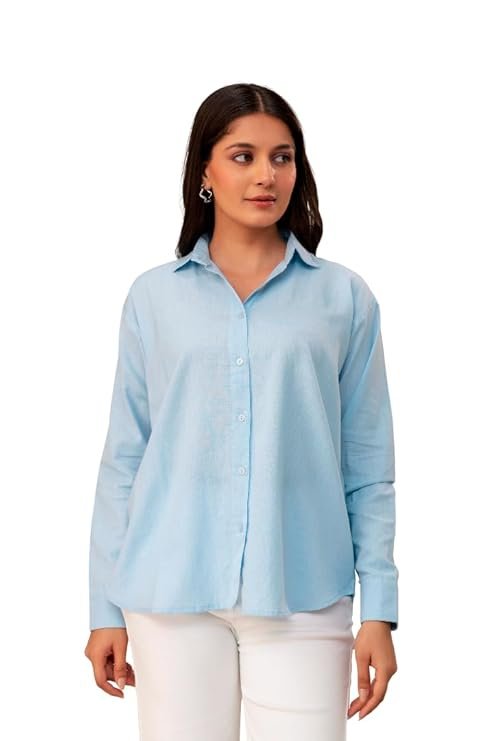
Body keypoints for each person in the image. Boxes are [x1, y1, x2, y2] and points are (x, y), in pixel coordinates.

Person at [84, 82, 399, 740]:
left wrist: (380, 607)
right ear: (205, 171)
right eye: (242, 156)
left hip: (302, 589)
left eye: (282, 158)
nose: (265, 176)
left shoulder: (344, 298)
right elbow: (125, 458)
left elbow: (368, 466)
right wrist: (104, 608)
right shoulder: (152, 298)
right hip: (169, 592)